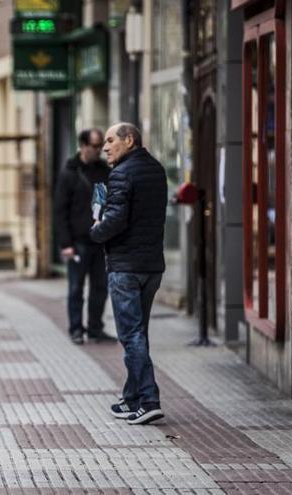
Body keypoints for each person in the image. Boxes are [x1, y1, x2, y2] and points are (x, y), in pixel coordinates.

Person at [90, 123, 167, 426]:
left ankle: (148, 400)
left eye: (110, 141)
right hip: (152, 266)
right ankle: (131, 396)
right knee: (138, 332)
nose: (105, 147)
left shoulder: (122, 173)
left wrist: (95, 231)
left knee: (131, 335)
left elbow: (116, 220)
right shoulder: (157, 170)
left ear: (129, 140)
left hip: (126, 267)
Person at [54, 129, 115, 345]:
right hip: (78, 241)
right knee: (75, 288)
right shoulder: (69, 173)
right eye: (95, 146)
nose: (99, 150)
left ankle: (96, 328)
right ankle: (76, 329)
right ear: (83, 145)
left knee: (100, 286)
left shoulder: (105, 171)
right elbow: (60, 210)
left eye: (101, 146)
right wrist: (66, 243)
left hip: (101, 241)